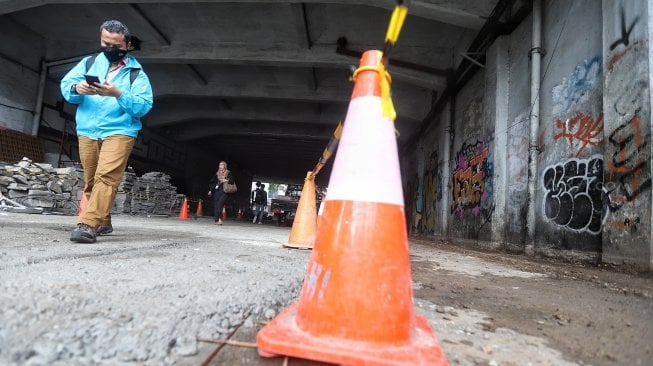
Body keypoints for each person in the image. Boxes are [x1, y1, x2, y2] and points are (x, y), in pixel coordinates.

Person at [60, 19, 153, 243]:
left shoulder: (136, 74)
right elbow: (66, 86)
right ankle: (104, 220)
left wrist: (118, 94)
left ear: (128, 44)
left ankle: (88, 224)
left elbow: (144, 106)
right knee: (91, 180)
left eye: (116, 45)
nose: (110, 49)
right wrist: (77, 88)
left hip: (120, 131)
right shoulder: (89, 63)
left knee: (107, 178)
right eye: (105, 43)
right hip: (88, 130)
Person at [208, 161, 234, 225]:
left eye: (222, 165)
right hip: (217, 191)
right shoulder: (217, 173)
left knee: (220, 205)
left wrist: (226, 180)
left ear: (224, 166)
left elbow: (232, 181)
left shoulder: (228, 172)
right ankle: (217, 220)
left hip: (224, 191)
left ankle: (220, 219)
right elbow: (213, 182)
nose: (220, 166)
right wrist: (210, 190)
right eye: (220, 165)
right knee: (216, 205)